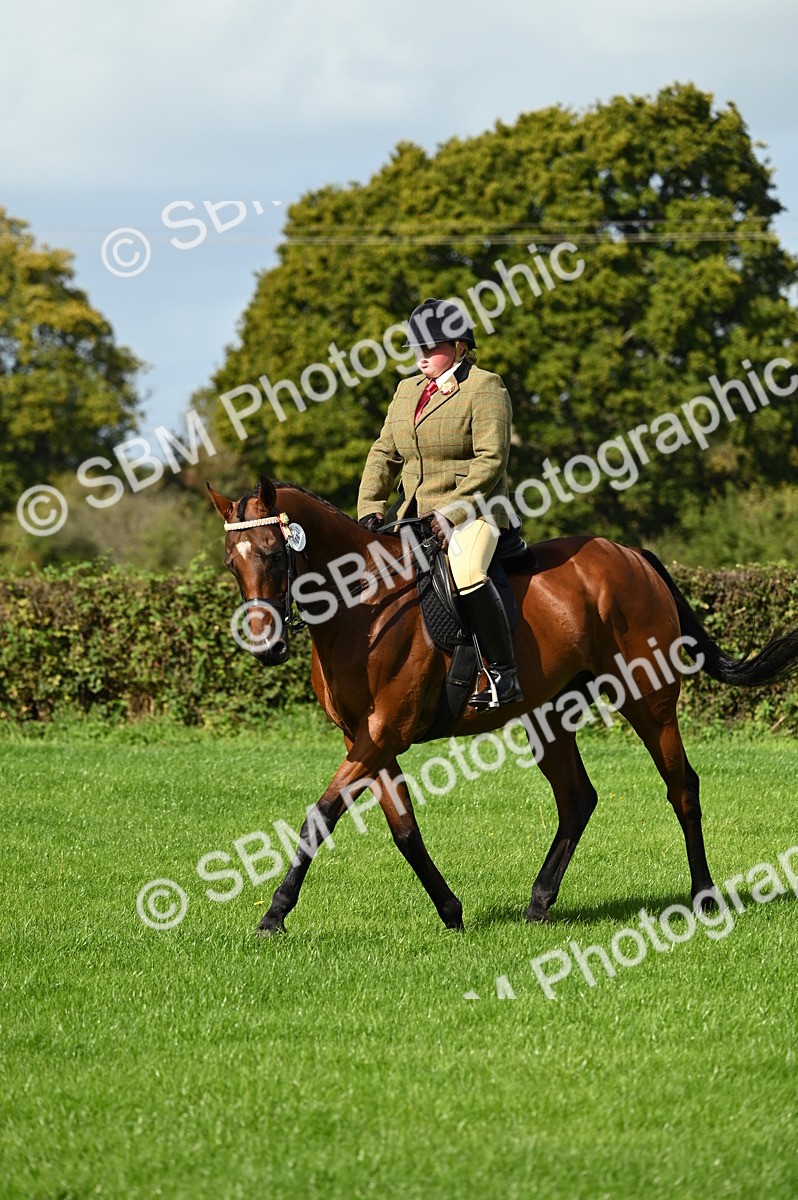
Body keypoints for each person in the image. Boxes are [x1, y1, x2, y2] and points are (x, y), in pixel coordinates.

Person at [357, 297, 522, 708]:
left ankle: (503, 675)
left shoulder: (484, 387)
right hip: (412, 514)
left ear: (460, 346)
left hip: (475, 510)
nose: (422, 356)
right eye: (418, 347)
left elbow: (491, 460)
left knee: (466, 572)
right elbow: (384, 451)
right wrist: (370, 505)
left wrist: (452, 511)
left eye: (431, 347)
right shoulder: (406, 391)